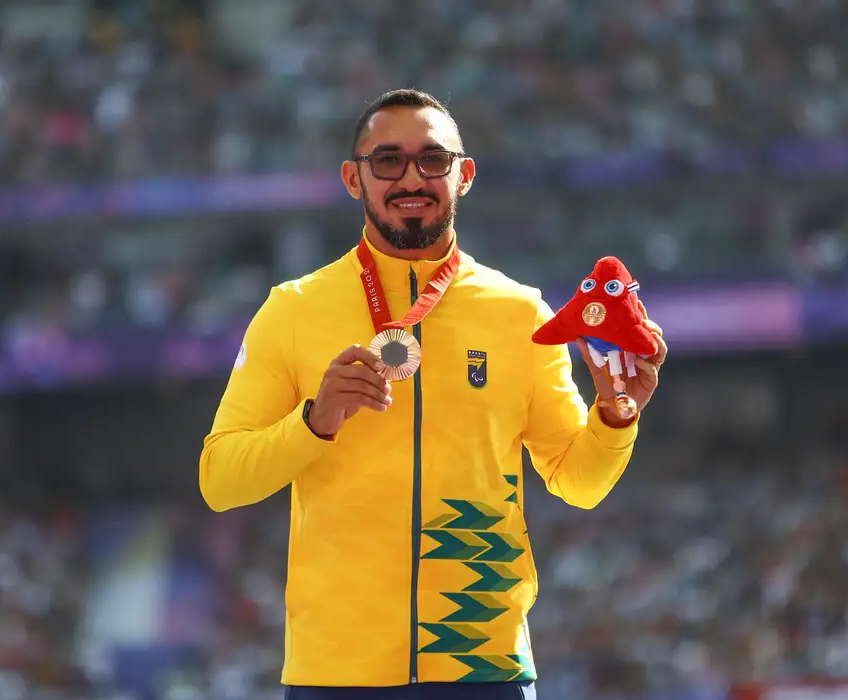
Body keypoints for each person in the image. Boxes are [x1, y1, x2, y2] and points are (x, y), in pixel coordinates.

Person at [199, 89, 667, 700]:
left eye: (433, 159)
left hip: (483, 667)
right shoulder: (293, 311)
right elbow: (220, 479)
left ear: (464, 174)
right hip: (336, 675)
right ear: (353, 177)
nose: (411, 177)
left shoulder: (520, 313)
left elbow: (577, 482)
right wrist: (315, 420)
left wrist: (615, 413)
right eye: (387, 160)